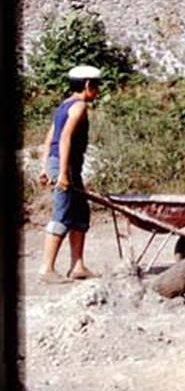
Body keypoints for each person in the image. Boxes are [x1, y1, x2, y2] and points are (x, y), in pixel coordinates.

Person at [37, 65, 102, 283]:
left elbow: (49, 140)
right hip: (66, 165)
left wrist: (45, 168)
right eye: (97, 86)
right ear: (87, 85)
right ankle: (47, 269)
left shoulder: (63, 106)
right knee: (62, 213)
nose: (98, 91)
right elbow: (64, 138)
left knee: (81, 213)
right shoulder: (80, 106)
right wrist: (62, 173)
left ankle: (78, 266)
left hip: (63, 164)